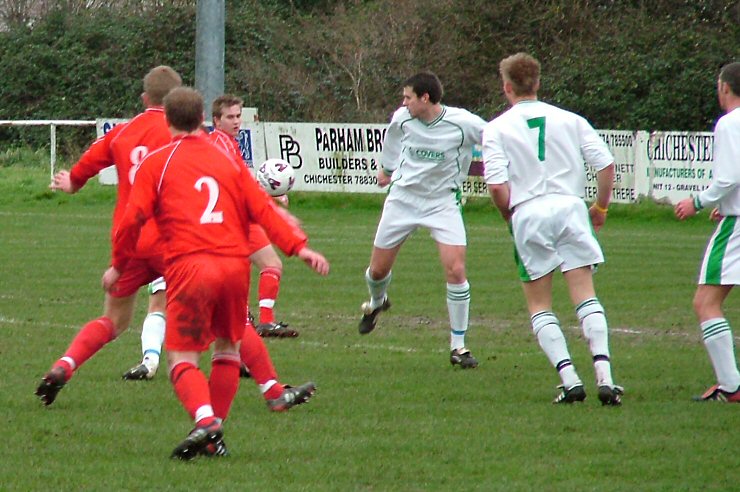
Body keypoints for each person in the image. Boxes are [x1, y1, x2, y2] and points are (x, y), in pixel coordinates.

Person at [102, 86, 329, 459]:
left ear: (169, 120)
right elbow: (261, 206)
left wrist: (118, 264)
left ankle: (206, 419)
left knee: (181, 358)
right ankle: (214, 435)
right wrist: (298, 247)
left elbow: (132, 221)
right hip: (235, 267)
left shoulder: (157, 164)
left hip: (192, 267)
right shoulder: (226, 157)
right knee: (228, 346)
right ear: (202, 119)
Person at [35, 65, 182, 406]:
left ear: (144, 98)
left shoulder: (122, 132)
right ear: (177, 100)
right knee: (219, 306)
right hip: (172, 240)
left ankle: (64, 365)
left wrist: (72, 181)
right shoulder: (181, 133)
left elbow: (88, 163)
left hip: (128, 243)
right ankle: (267, 384)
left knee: (113, 321)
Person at [483, 52, 623, 405]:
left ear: (507, 87)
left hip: (528, 212)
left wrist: (508, 215)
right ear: (538, 83)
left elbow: (498, 187)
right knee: (585, 294)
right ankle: (605, 376)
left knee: (540, 304)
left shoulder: (496, 128)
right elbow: (606, 165)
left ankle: (570, 379)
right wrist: (601, 207)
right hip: (570, 207)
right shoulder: (570, 119)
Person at [358, 71, 486, 369]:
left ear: (425, 98)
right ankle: (378, 302)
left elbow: (496, 138)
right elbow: (391, 141)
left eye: (408, 97)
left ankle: (459, 346)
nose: (403, 102)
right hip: (403, 199)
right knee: (377, 271)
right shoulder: (403, 118)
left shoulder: (463, 123)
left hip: (442, 202)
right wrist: (386, 170)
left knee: (455, 269)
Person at [674, 61, 740, 403]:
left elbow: (729, 176)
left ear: (725, 88)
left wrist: (697, 202)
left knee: (705, 302)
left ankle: (731, 386)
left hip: (738, 226)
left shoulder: (730, 123)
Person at [209, 95, 297, 338]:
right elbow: (234, 185)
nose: (236, 121)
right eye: (230, 117)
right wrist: (270, 199)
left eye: (238, 116)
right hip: (231, 218)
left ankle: (246, 316)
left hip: (235, 218)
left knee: (248, 265)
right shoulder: (220, 145)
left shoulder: (226, 142)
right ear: (217, 121)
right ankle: (261, 320)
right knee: (270, 264)